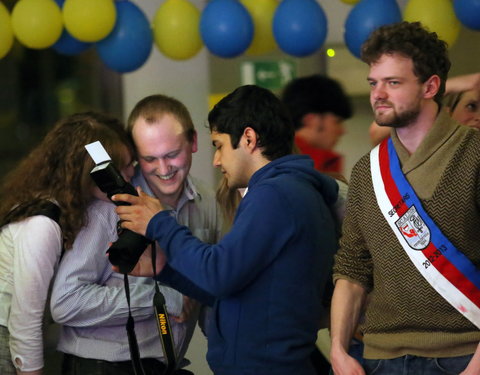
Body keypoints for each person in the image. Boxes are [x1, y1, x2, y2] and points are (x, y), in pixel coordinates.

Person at [113, 85, 339, 375]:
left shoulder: (275, 195)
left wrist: (160, 222)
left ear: (248, 138)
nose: (216, 160)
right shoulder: (288, 191)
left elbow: (218, 274)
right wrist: (165, 269)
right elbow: (235, 291)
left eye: (219, 145)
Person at [330, 21, 480, 375]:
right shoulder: (367, 171)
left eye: (393, 82)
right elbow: (352, 268)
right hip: (381, 357)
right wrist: (338, 350)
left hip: (464, 353)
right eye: (374, 83)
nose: (378, 94)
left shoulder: (474, 155)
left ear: (430, 86)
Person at [50, 94, 222, 375]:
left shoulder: (207, 202)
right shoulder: (110, 207)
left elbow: (213, 285)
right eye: (149, 159)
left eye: (172, 155)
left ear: (193, 142)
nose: (164, 170)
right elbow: (66, 301)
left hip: (164, 366)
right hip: (100, 368)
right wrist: (163, 299)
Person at [0, 111, 135, 375]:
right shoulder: (42, 224)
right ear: (94, 171)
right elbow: (24, 321)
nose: (130, 176)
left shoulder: (70, 208)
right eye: (123, 167)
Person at [369, 72, 480, 146]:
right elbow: (377, 132)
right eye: (471, 107)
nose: (478, 118)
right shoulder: (428, 148)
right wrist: (443, 88)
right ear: (448, 113)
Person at [281, 74, 353, 176]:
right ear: (310, 120)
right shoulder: (318, 164)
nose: (342, 131)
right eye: (337, 122)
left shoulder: (266, 158)